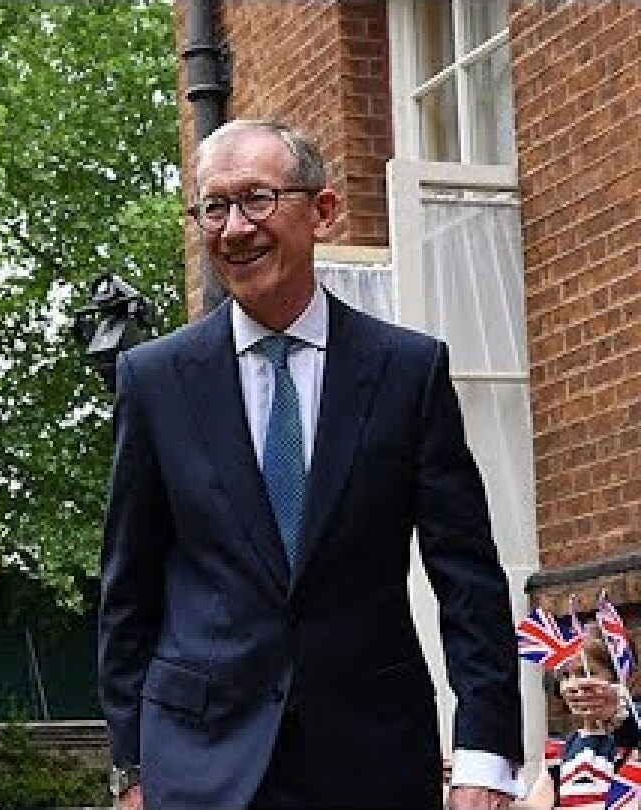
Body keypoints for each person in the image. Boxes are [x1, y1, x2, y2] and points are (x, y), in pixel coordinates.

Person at [97, 119, 523, 809]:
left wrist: (484, 753)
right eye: (214, 206)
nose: (235, 228)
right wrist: (131, 767)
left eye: (258, 199)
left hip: (371, 760)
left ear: (322, 211)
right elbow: (129, 589)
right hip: (198, 768)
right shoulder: (154, 381)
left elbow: (467, 575)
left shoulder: (407, 373)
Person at [517, 623, 638, 809]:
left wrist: (617, 711)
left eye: (585, 673)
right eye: (565, 675)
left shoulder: (633, 734)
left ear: (620, 677)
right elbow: (537, 805)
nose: (573, 685)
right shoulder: (557, 751)